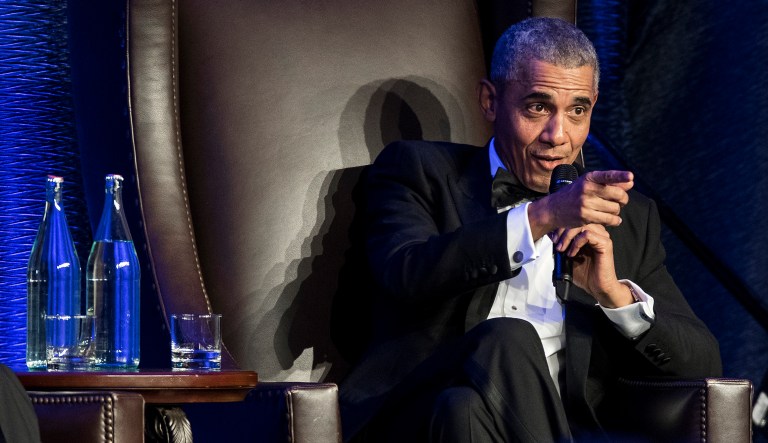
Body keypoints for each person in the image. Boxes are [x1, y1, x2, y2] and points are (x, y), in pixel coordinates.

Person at [338, 17, 722, 442]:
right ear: (490, 101)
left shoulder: (625, 217)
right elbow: (406, 272)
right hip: (414, 415)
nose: (558, 135)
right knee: (507, 337)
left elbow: (702, 364)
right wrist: (541, 216)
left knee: (463, 411)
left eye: (577, 111)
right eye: (538, 107)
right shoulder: (420, 171)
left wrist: (613, 295)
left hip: (524, 423)